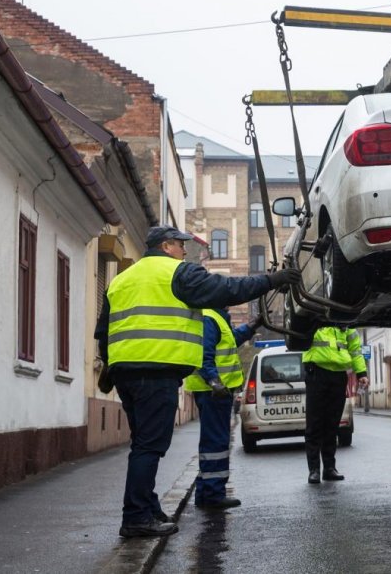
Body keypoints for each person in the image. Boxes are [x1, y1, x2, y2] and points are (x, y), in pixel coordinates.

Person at [95, 225, 301, 539]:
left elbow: (103, 332)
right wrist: (271, 281)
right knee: (150, 447)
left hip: (127, 372)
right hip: (157, 369)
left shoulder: (121, 280)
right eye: (181, 245)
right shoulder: (176, 273)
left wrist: (109, 365)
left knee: (142, 444)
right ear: (166, 246)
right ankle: (136, 517)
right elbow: (227, 289)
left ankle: (146, 507)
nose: (184, 251)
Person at [183, 307, 260, 511]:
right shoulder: (210, 317)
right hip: (214, 391)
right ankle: (212, 494)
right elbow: (203, 354)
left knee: (214, 442)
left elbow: (230, 340)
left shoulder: (216, 317)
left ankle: (206, 492)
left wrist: (250, 328)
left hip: (216, 390)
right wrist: (213, 380)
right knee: (215, 443)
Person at [303, 325, 368, 484]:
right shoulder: (314, 318)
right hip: (316, 373)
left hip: (338, 376)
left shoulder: (345, 322)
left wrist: (361, 373)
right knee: (314, 424)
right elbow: (300, 334)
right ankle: (314, 470)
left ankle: (329, 468)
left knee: (332, 424)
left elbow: (355, 350)